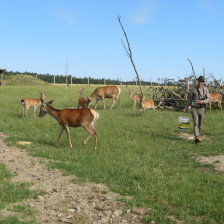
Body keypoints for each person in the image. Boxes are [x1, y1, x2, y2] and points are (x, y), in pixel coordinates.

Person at [183, 76, 210, 143]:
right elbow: (190, 100)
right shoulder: (193, 89)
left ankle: (198, 136)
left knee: (200, 124)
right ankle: (197, 136)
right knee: (196, 123)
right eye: (198, 81)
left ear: (203, 82)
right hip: (194, 108)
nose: (199, 83)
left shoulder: (206, 89)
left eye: (201, 82)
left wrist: (203, 101)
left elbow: (208, 99)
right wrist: (185, 108)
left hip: (202, 108)